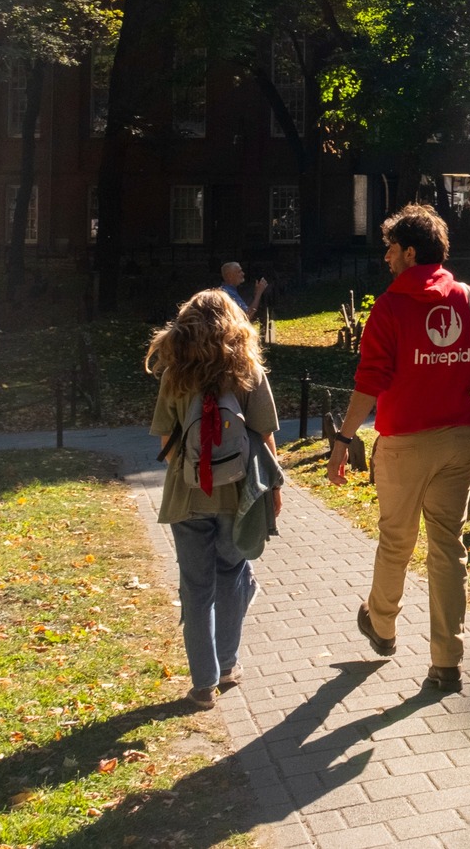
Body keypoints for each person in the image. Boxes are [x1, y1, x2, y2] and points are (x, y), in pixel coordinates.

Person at [328, 204, 470, 694]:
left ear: (409, 251)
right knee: (448, 547)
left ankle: (381, 625)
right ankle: (447, 663)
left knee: (397, 540)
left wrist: (344, 439)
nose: (385, 257)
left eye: (389, 248)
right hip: (458, 443)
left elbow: (370, 381)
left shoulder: (391, 306)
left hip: (404, 443)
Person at [146, 290, 283, 709]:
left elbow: (167, 437)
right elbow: (264, 435)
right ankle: (228, 665)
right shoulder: (247, 371)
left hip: (188, 494)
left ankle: (203, 685)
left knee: (195, 586)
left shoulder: (175, 373)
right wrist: (273, 490)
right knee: (233, 574)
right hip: (238, 493)